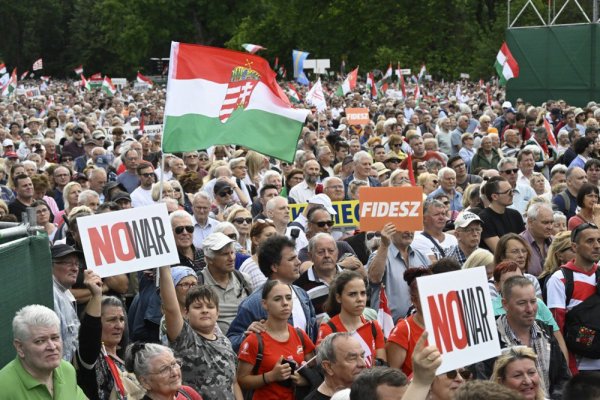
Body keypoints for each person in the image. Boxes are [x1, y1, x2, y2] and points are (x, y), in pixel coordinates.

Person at [476, 276, 570, 398]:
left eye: (533, 301)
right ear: (505, 304)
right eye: (522, 303)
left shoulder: (545, 332)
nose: (530, 309)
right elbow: (484, 387)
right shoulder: (489, 338)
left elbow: (563, 379)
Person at [158, 264, 241, 400]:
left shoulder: (225, 341)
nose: (204, 310)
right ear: (186, 312)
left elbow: (234, 382)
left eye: (210, 306)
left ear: (217, 313)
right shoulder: (185, 339)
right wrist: (164, 266)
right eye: (197, 307)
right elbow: (171, 308)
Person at [227, 235, 318, 352]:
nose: (298, 262)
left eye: (288, 298)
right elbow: (231, 342)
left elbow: (312, 337)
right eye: (291, 259)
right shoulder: (253, 304)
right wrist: (246, 336)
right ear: (274, 266)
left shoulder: (302, 295)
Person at [237, 280, 316, 400]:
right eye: (277, 299)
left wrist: (305, 380)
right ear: (264, 304)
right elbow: (241, 380)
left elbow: (315, 370)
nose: (285, 303)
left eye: (289, 298)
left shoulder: (300, 334)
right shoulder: (254, 340)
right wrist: (270, 376)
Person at [0, 305, 86, 399]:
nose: (52, 347)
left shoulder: (67, 370)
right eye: (40, 341)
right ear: (20, 347)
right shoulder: (3, 387)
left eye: (55, 338)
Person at [546, 223, 600, 374]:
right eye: (590, 241)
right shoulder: (560, 279)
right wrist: (569, 369)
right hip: (581, 370)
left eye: (599, 241)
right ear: (574, 247)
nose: (596, 245)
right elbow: (557, 328)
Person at [318, 271, 386, 366]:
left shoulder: (374, 326)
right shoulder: (328, 329)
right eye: (352, 294)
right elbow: (326, 368)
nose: (360, 299)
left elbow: (382, 367)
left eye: (363, 293)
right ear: (338, 298)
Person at [367, 222, 431, 322]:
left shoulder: (422, 257)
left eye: (412, 227)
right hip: (388, 330)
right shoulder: (380, 255)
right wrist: (384, 245)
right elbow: (374, 278)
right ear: (390, 229)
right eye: (403, 226)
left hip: (418, 326)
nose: (408, 231)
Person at [199, 232, 252, 333]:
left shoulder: (243, 279)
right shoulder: (199, 283)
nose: (231, 258)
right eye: (225, 254)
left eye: (232, 253)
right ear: (209, 259)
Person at [386, 268, 432, 376]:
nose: (432, 298)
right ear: (414, 300)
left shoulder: (446, 324)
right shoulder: (403, 330)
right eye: (426, 295)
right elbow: (393, 377)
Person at [125, 342, 203, 399]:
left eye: (174, 364)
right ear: (145, 382)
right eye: (164, 370)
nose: (174, 373)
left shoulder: (187, 393)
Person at [306, 333, 368, 400]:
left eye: (362, 356)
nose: (363, 364)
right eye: (352, 358)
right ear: (328, 367)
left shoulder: (372, 393)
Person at [50, 243, 82, 362]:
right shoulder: (51, 293)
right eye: (68, 263)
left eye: (77, 264)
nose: (75, 268)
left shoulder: (64, 293)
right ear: (50, 264)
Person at [479, 176, 525, 252]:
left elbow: (524, 242)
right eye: (508, 192)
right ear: (494, 196)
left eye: (512, 191)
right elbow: (499, 250)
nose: (512, 194)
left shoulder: (515, 215)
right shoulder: (484, 218)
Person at [493, 233, 542, 297]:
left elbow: (539, 306)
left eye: (524, 251)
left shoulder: (531, 279)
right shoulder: (491, 285)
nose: (521, 255)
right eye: (515, 251)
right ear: (502, 256)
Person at [239, 219, 277, 289]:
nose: (274, 239)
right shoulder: (248, 267)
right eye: (269, 235)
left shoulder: (281, 262)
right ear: (256, 240)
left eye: (276, 235)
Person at [520, 203, 554, 277]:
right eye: (545, 223)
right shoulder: (519, 243)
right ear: (530, 222)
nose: (550, 227)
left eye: (552, 222)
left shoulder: (555, 242)